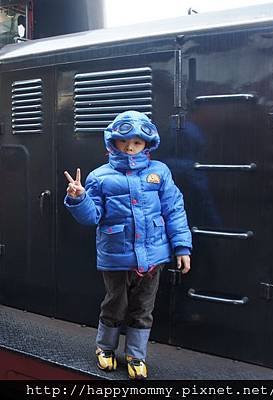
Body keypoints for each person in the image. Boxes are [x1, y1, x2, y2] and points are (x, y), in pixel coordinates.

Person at [64, 110, 192, 380]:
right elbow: (93, 217)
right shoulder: (99, 177)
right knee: (115, 305)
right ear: (113, 143)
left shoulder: (160, 172)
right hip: (116, 257)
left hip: (154, 257)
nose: (130, 147)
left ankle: (136, 355)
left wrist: (182, 247)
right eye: (125, 142)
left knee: (143, 309)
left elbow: (174, 209)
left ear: (147, 144)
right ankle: (105, 348)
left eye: (137, 142)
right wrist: (79, 198)